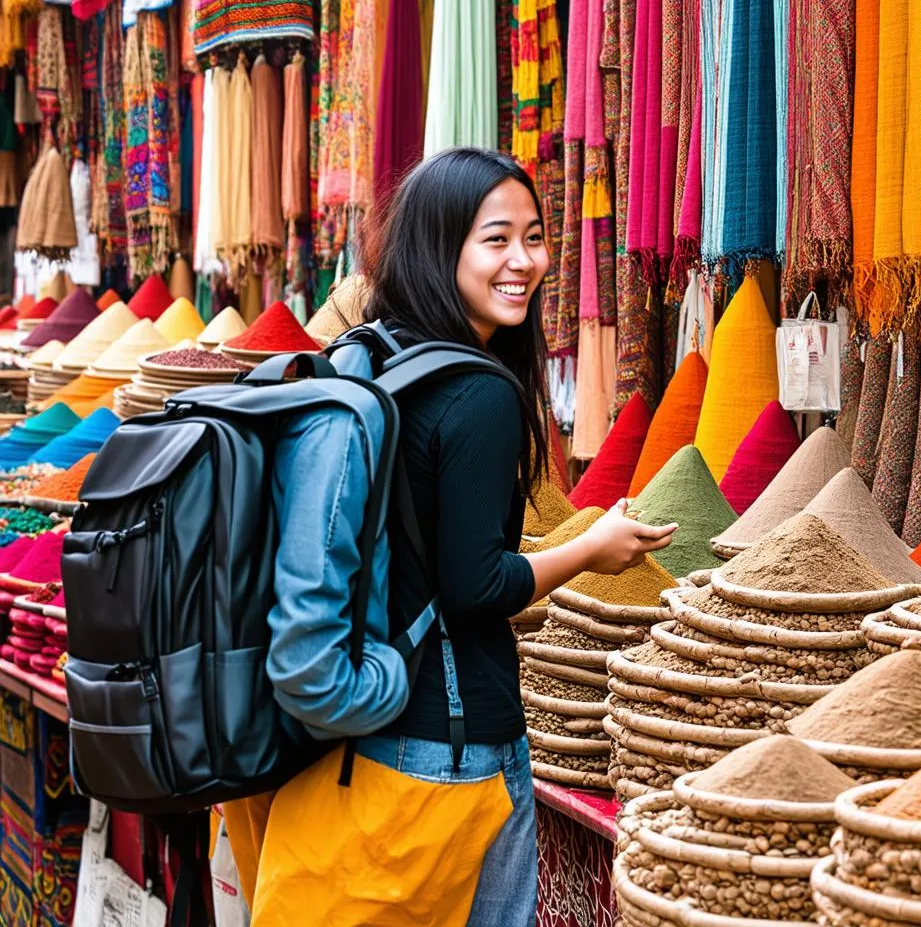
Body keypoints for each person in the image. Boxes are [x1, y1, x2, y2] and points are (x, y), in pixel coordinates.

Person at [241, 149, 676, 926]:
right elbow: (476, 586)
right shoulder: (478, 392)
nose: (524, 262)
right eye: (496, 239)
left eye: (535, 237)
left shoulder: (364, 356)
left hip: (355, 731)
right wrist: (589, 550)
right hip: (449, 750)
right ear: (443, 248)